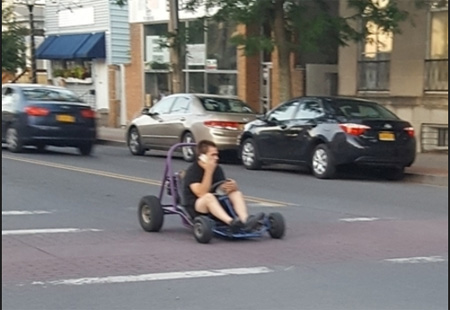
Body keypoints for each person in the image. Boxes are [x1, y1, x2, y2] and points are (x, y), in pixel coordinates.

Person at [183, 140, 264, 232]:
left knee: (236, 193)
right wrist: (208, 171)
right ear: (202, 157)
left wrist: (231, 186)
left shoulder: (217, 168)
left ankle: (245, 220)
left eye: (216, 154)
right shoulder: (193, 171)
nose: (216, 158)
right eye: (213, 155)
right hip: (197, 207)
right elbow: (201, 193)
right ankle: (231, 222)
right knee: (208, 197)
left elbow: (220, 189)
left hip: (215, 202)